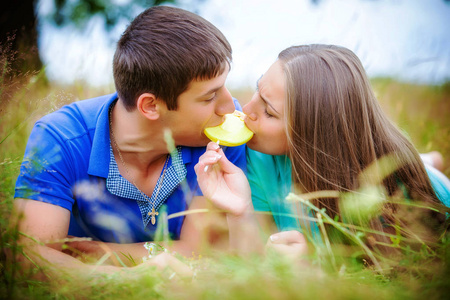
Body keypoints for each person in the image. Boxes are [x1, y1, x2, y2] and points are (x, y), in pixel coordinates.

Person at [12, 6, 248, 277]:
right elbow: (30, 257)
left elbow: (201, 252)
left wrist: (102, 253)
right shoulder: (60, 137)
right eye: (209, 97)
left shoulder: (223, 134)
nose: (230, 107)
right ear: (150, 106)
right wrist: (130, 279)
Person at [195, 44, 450, 259]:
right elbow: (251, 262)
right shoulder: (258, 157)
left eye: (269, 112)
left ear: (312, 135)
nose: (246, 108)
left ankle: (426, 162)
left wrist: (321, 267)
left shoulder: (409, 199)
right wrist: (240, 212)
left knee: (410, 166)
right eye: (257, 89)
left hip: (412, 180)